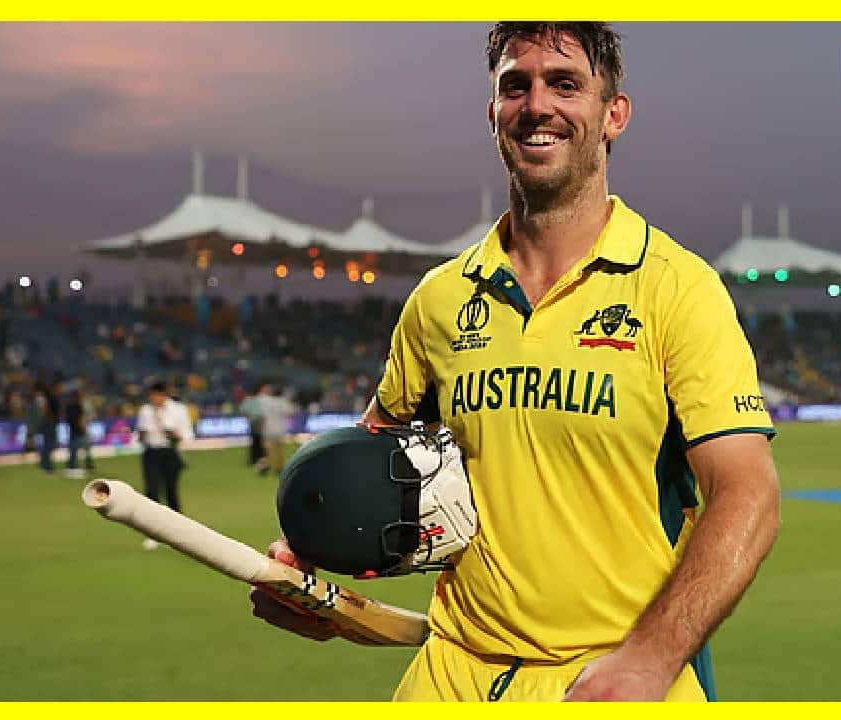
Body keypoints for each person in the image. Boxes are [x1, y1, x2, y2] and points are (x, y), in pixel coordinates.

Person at [250, 22, 780, 702]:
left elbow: (748, 493)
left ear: (614, 114)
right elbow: (367, 459)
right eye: (515, 86)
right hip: (451, 675)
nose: (537, 106)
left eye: (566, 84)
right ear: (493, 113)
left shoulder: (677, 288)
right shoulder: (441, 298)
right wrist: (310, 558)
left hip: (608, 677)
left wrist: (652, 658)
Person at [135, 380, 195, 550]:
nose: (155, 399)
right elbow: (139, 435)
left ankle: (178, 532)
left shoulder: (178, 410)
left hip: (170, 452)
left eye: (158, 396)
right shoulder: (146, 411)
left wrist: (175, 435)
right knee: (151, 492)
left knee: (171, 492)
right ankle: (153, 533)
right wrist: (141, 435)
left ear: (164, 395)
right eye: (152, 396)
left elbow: (188, 434)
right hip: (151, 453)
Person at [258, 384, 296, 475]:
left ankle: (268, 466)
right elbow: (291, 412)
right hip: (280, 429)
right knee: (280, 450)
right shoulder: (283, 401)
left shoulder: (266, 401)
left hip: (268, 428)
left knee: (269, 450)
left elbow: (261, 414)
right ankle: (279, 468)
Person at [239, 382, 268, 473]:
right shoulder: (260, 399)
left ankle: (254, 459)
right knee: (259, 440)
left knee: (255, 440)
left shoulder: (249, 400)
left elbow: (243, 410)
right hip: (259, 421)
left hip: (254, 421)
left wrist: (248, 417)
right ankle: (261, 458)